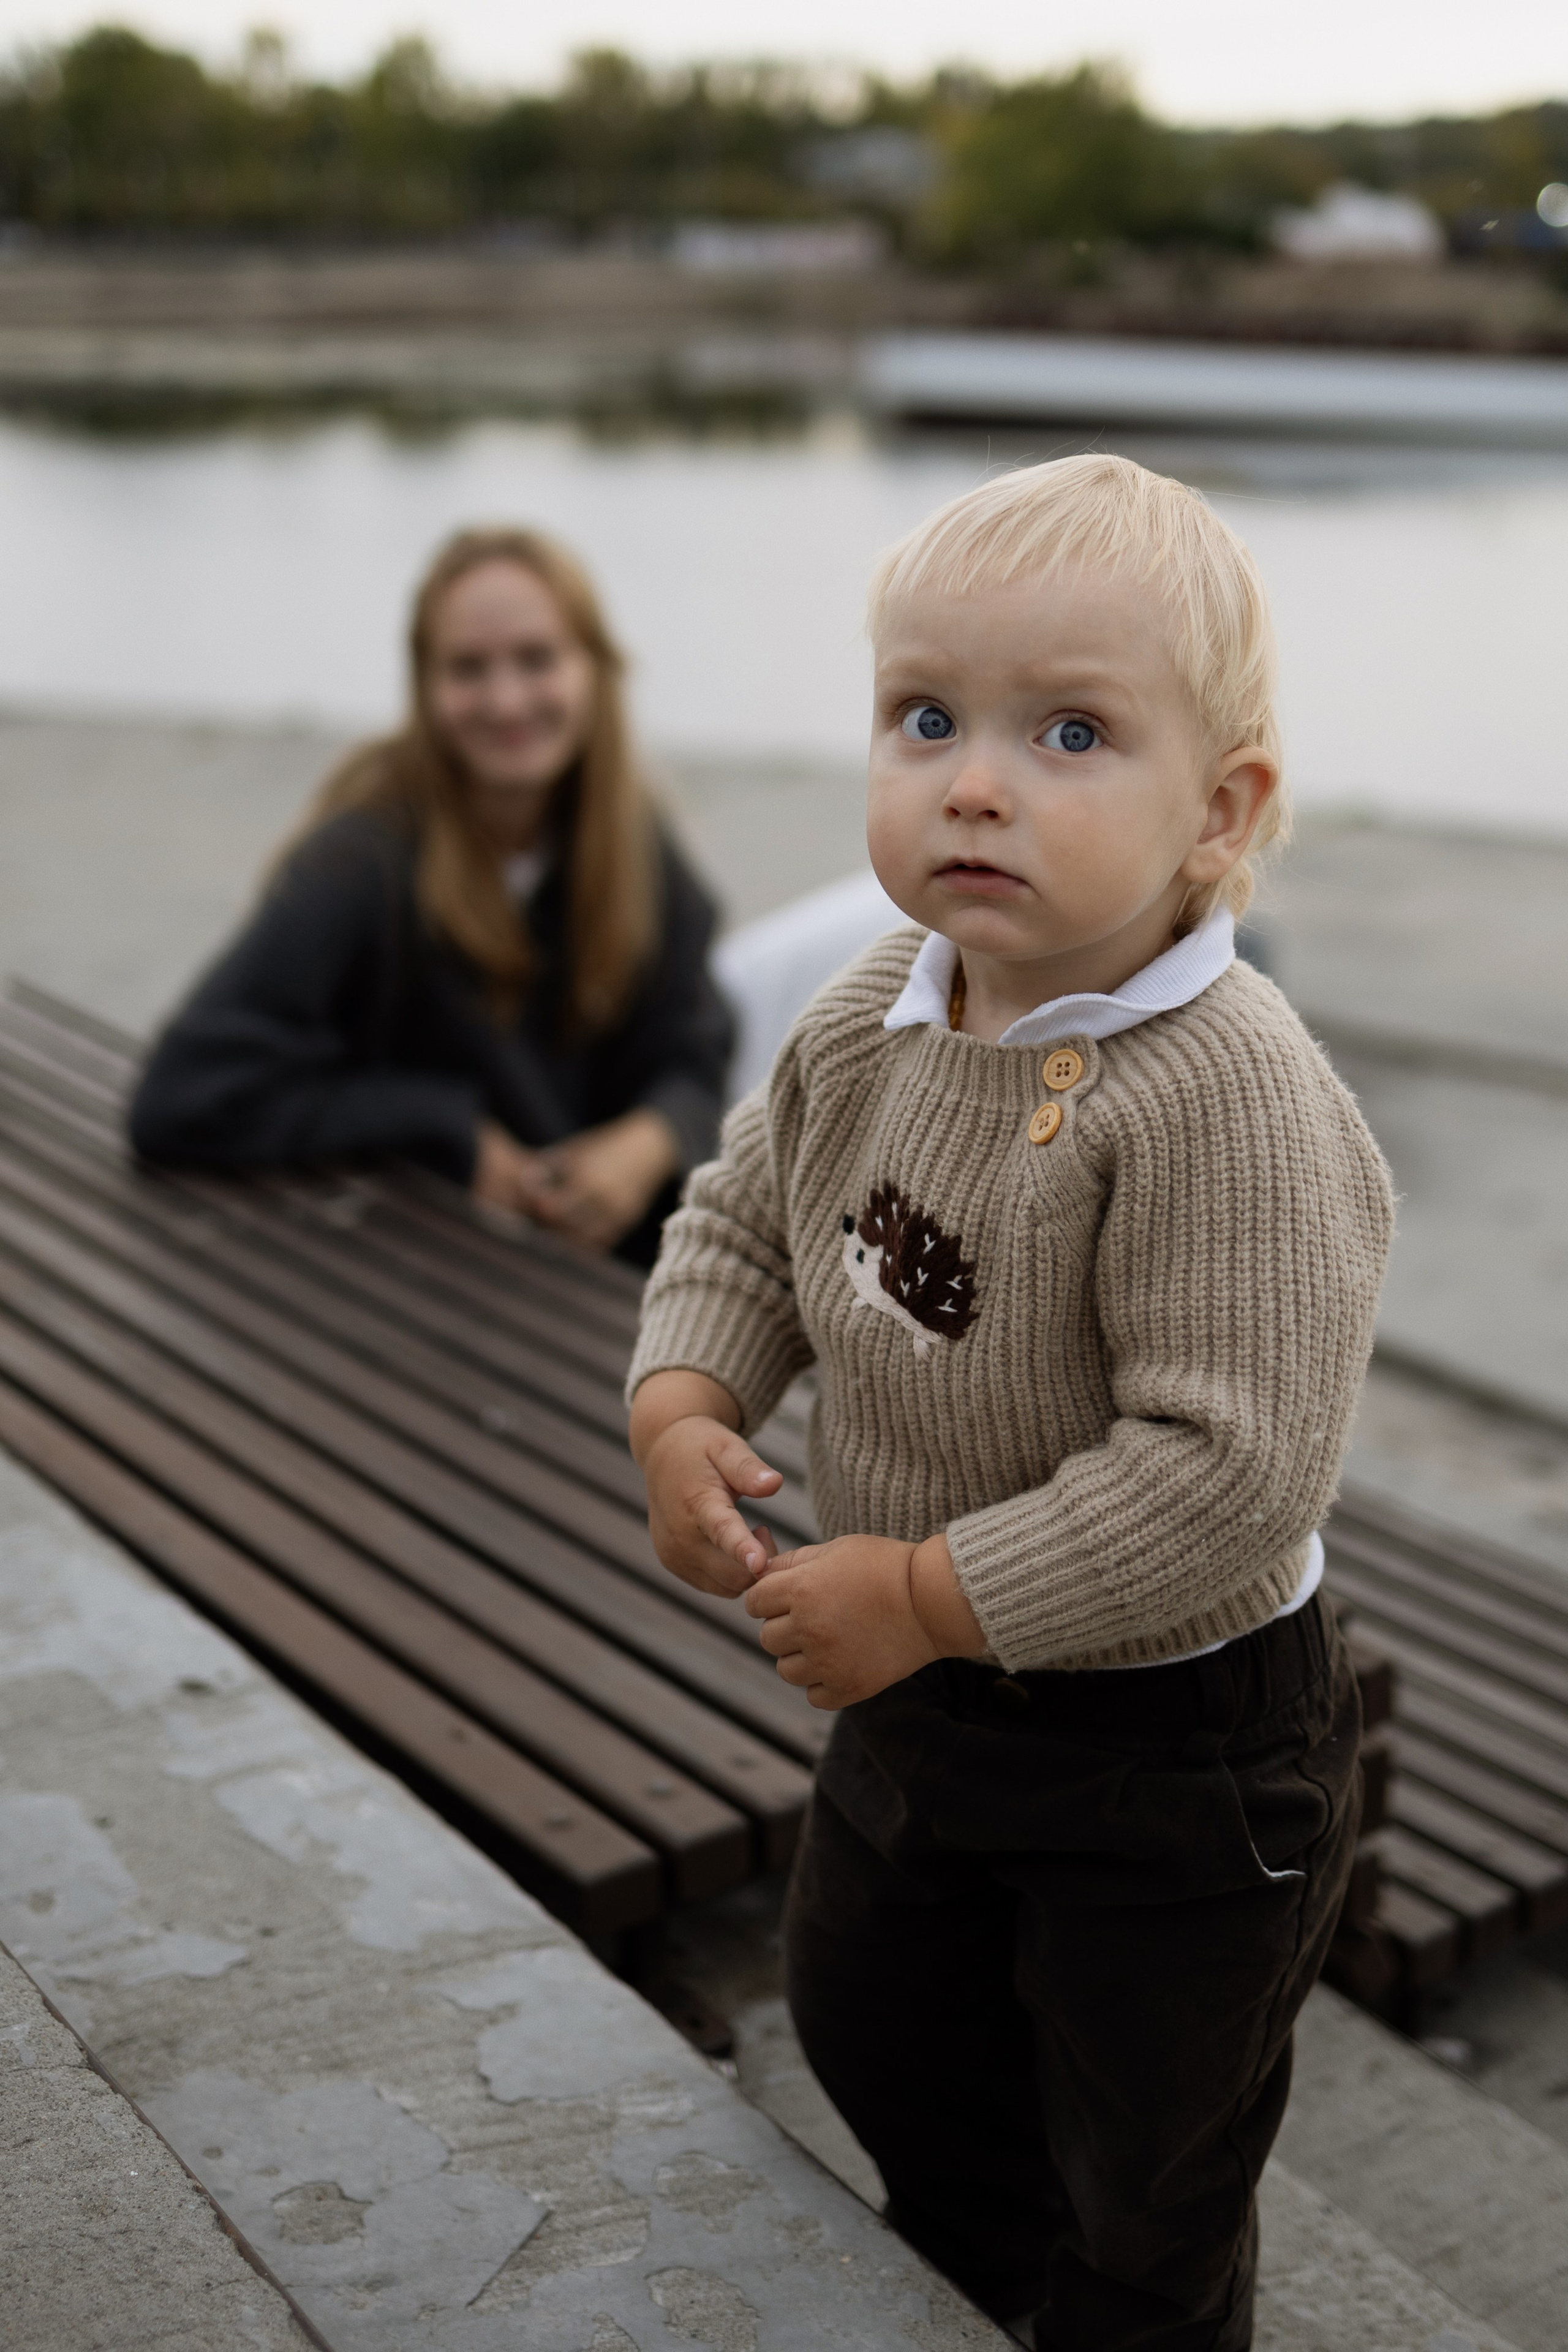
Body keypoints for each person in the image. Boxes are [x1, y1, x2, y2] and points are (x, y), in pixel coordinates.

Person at [625, 454, 1393, 2349]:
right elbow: (749, 1205)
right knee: (880, 2016)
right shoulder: (884, 997)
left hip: (1174, 1747)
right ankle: (965, 2265)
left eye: (1068, 730)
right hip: (926, 1695)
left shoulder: (1221, 1093)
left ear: (1217, 812)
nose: (973, 778)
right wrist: (683, 1397)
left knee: (1146, 2154)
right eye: (924, 715)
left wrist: (921, 1590)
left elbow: (1223, 1473)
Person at [129, 528, 731, 1265]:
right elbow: (184, 1095)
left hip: (588, 1284)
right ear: (424, 688)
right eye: (468, 668)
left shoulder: (638, 851)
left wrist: (653, 1139)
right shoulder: (357, 865)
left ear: (594, 670)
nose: (506, 700)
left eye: (537, 660)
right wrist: (441, 1132)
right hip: (406, 1280)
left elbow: (701, 1052)